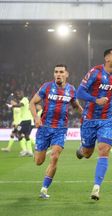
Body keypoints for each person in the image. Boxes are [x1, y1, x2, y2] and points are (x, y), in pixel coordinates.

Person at [76, 48, 112, 201]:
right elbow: (79, 93)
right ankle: (81, 150)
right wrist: (95, 100)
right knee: (88, 153)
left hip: (108, 121)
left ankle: (96, 188)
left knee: (103, 151)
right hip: (89, 119)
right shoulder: (95, 72)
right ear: (107, 58)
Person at [29, 64, 82, 199]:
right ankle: (42, 151)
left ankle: (44, 189)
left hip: (60, 129)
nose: (58, 74)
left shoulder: (71, 89)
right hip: (44, 128)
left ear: (66, 74)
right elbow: (32, 102)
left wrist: (86, 115)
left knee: (55, 156)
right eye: (56, 72)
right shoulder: (47, 87)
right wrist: (36, 117)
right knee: (38, 161)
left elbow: (76, 105)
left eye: (61, 72)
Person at [11, 90, 34, 156]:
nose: (19, 95)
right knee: (26, 135)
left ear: (22, 94)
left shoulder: (25, 99)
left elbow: (20, 105)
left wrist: (13, 105)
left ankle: (25, 150)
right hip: (26, 121)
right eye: (18, 94)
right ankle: (30, 151)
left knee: (16, 132)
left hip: (25, 121)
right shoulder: (23, 100)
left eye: (20, 94)